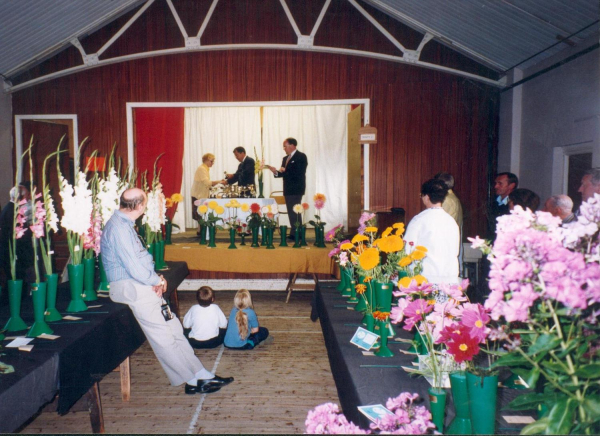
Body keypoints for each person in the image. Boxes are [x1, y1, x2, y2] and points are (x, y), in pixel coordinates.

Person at [101, 188, 233, 395]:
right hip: (132, 287)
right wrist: (155, 280)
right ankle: (191, 379)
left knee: (174, 331)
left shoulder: (123, 224)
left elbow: (137, 263)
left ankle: (200, 374)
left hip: (140, 283)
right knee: (164, 337)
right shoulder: (118, 228)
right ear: (139, 206)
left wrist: (155, 279)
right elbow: (134, 268)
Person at [403, 179, 460, 284]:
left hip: (425, 278)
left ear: (426, 197)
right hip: (449, 279)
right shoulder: (451, 221)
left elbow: (407, 250)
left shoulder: (419, 220)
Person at [266, 138, 308, 238]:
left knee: (295, 210)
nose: (284, 148)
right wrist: (275, 171)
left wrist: (285, 170)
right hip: (288, 188)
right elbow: (282, 174)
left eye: (285, 146)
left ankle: (298, 233)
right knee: (291, 210)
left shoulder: (301, 156)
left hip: (296, 188)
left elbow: (299, 172)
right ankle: (294, 232)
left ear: (292, 145)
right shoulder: (285, 159)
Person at [487, 172, 518, 239]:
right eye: (496, 183)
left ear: (511, 186)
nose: (496, 186)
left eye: (500, 183)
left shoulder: (516, 204)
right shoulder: (491, 202)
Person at [191, 153, 220, 222]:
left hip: (201, 195)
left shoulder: (205, 169)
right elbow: (208, 183)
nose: (212, 163)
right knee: (201, 216)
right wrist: (220, 182)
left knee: (201, 216)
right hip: (198, 195)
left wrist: (218, 182)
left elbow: (207, 184)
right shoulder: (202, 169)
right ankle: (201, 232)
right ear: (206, 160)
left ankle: (199, 232)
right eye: (211, 161)